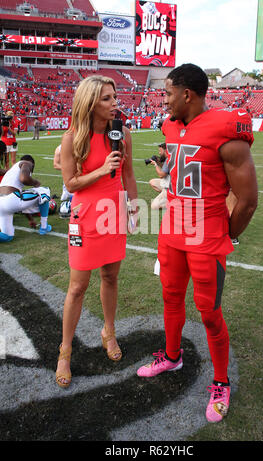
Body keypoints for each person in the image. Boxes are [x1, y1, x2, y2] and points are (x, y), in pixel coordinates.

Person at [137, 64, 258, 423]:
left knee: (209, 313)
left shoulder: (226, 129)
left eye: (169, 92)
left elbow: (248, 199)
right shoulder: (169, 126)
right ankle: (172, 357)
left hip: (206, 238)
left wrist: (227, 234)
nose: (165, 98)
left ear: (187, 94)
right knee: (171, 297)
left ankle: (221, 382)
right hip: (172, 232)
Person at [56, 75, 138, 388]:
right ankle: (65, 351)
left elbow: (129, 176)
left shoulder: (123, 134)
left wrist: (133, 208)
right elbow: (70, 184)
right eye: (107, 98)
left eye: (114, 96)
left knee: (111, 277)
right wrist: (102, 169)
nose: (114, 102)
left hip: (114, 213)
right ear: (90, 103)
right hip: (85, 216)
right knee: (77, 287)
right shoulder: (72, 138)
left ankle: (109, 331)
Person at [0, 154, 52, 242]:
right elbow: (24, 179)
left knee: (7, 236)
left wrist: (30, 219)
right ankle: (44, 226)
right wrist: (35, 182)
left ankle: (43, 226)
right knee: (44, 191)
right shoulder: (27, 163)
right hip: (10, 200)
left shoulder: (13, 171)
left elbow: (22, 201)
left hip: (2, 204)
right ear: (32, 164)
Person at [149, 142, 170, 210]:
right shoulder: (170, 157)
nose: (159, 153)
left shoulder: (168, 159)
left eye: (160, 151)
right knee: (152, 182)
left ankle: (171, 201)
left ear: (165, 150)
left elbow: (161, 175)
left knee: (154, 206)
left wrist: (156, 165)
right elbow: (166, 170)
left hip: (169, 187)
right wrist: (158, 163)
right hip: (168, 183)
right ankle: (165, 197)